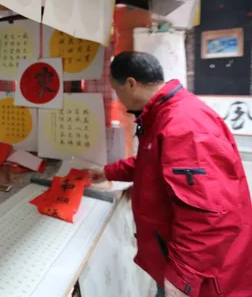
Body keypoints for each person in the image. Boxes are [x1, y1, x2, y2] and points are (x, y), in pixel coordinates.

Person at [89, 51, 252, 297]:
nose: (118, 99)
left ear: (131, 84)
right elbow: (152, 163)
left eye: (116, 90)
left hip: (206, 278)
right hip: (178, 260)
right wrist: (107, 172)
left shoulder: (184, 126)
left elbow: (209, 215)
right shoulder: (165, 113)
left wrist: (183, 279)